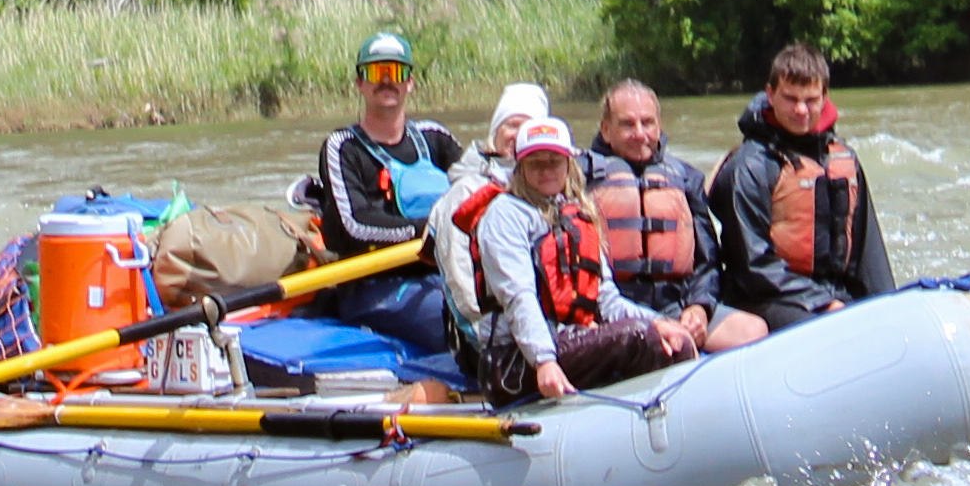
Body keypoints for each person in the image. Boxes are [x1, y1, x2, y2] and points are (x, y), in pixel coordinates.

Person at [458, 115, 692, 398]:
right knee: (639, 338)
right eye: (535, 162)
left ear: (568, 165)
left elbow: (606, 299)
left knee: (673, 339)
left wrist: (658, 321)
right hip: (515, 361)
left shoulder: (576, 212)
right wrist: (544, 361)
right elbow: (518, 296)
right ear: (520, 167)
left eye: (554, 161)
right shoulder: (505, 215)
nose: (546, 170)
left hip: (569, 342)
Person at [291, 28, 461, 359]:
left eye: (395, 72)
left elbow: (478, 195)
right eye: (375, 72)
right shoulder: (342, 148)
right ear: (359, 83)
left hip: (443, 274)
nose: (387, 81)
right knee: (455, 325)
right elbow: (357, 226)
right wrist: (432, 228)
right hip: (373, 286)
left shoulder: (435, 138)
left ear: (410, 82)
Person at [706, 42, 893, 326]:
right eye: (790, 99)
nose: (801, 110)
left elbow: (869, 254)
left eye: (811, 100)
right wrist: (824, 303)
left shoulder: (844, 159)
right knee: (821, 325)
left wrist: (887, 307)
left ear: (825, 97)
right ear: (770, 95)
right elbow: (751, 264)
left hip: (832, 294)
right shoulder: (749, 166)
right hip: (764, 297)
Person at [583, 80, 764, 352]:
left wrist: (699, 307)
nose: (640, 133)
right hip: (613, 312)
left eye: (647, 123)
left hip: (674, 305)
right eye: (627, 124)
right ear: (606, 130)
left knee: (752, 331)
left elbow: (707, 261)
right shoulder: (579, 179)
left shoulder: (685, 178)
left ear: (659, 126)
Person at [420, 80, 550, 342]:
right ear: (496, 132)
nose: (519, 135)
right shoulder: (464, 192)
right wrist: (486, 337)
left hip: (545, 323)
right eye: (512, 125)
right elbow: (460, 277)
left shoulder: (555, 189)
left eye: (529, 126)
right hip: (492, 336)